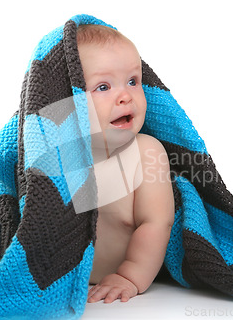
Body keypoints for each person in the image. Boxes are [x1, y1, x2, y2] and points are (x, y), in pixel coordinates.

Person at [77, 24, 175, 304]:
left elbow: (157, 222)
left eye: (133, 81)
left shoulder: (145, 153)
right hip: (71, 285)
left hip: (122, 287)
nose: (126, 96)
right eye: (103, 86)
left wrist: (130, 276)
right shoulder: (57, 158)